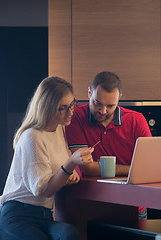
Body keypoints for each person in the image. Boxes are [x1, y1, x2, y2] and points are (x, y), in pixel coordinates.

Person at [0, 76, 94, 240]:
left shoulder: (58, 129)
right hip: (18, 215)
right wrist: (70, 165)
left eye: (72, 104)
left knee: (71, 234)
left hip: (45, 216)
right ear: (46, 108)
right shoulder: (32, 137)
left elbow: (57, 172)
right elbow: (44, 190)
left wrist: (71, 174)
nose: (71, 112)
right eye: (62, 108)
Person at [65, 71, 152, 219]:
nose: (103, 111)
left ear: (120, 99)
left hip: (134, 205)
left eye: (110, 105)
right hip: (91, 205)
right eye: (97, 103)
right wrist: (132, 170)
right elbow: (88, 167)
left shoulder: (137, 120)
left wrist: (136, 170)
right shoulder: (75, 117)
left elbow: (148, 167)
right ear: (89, 93)